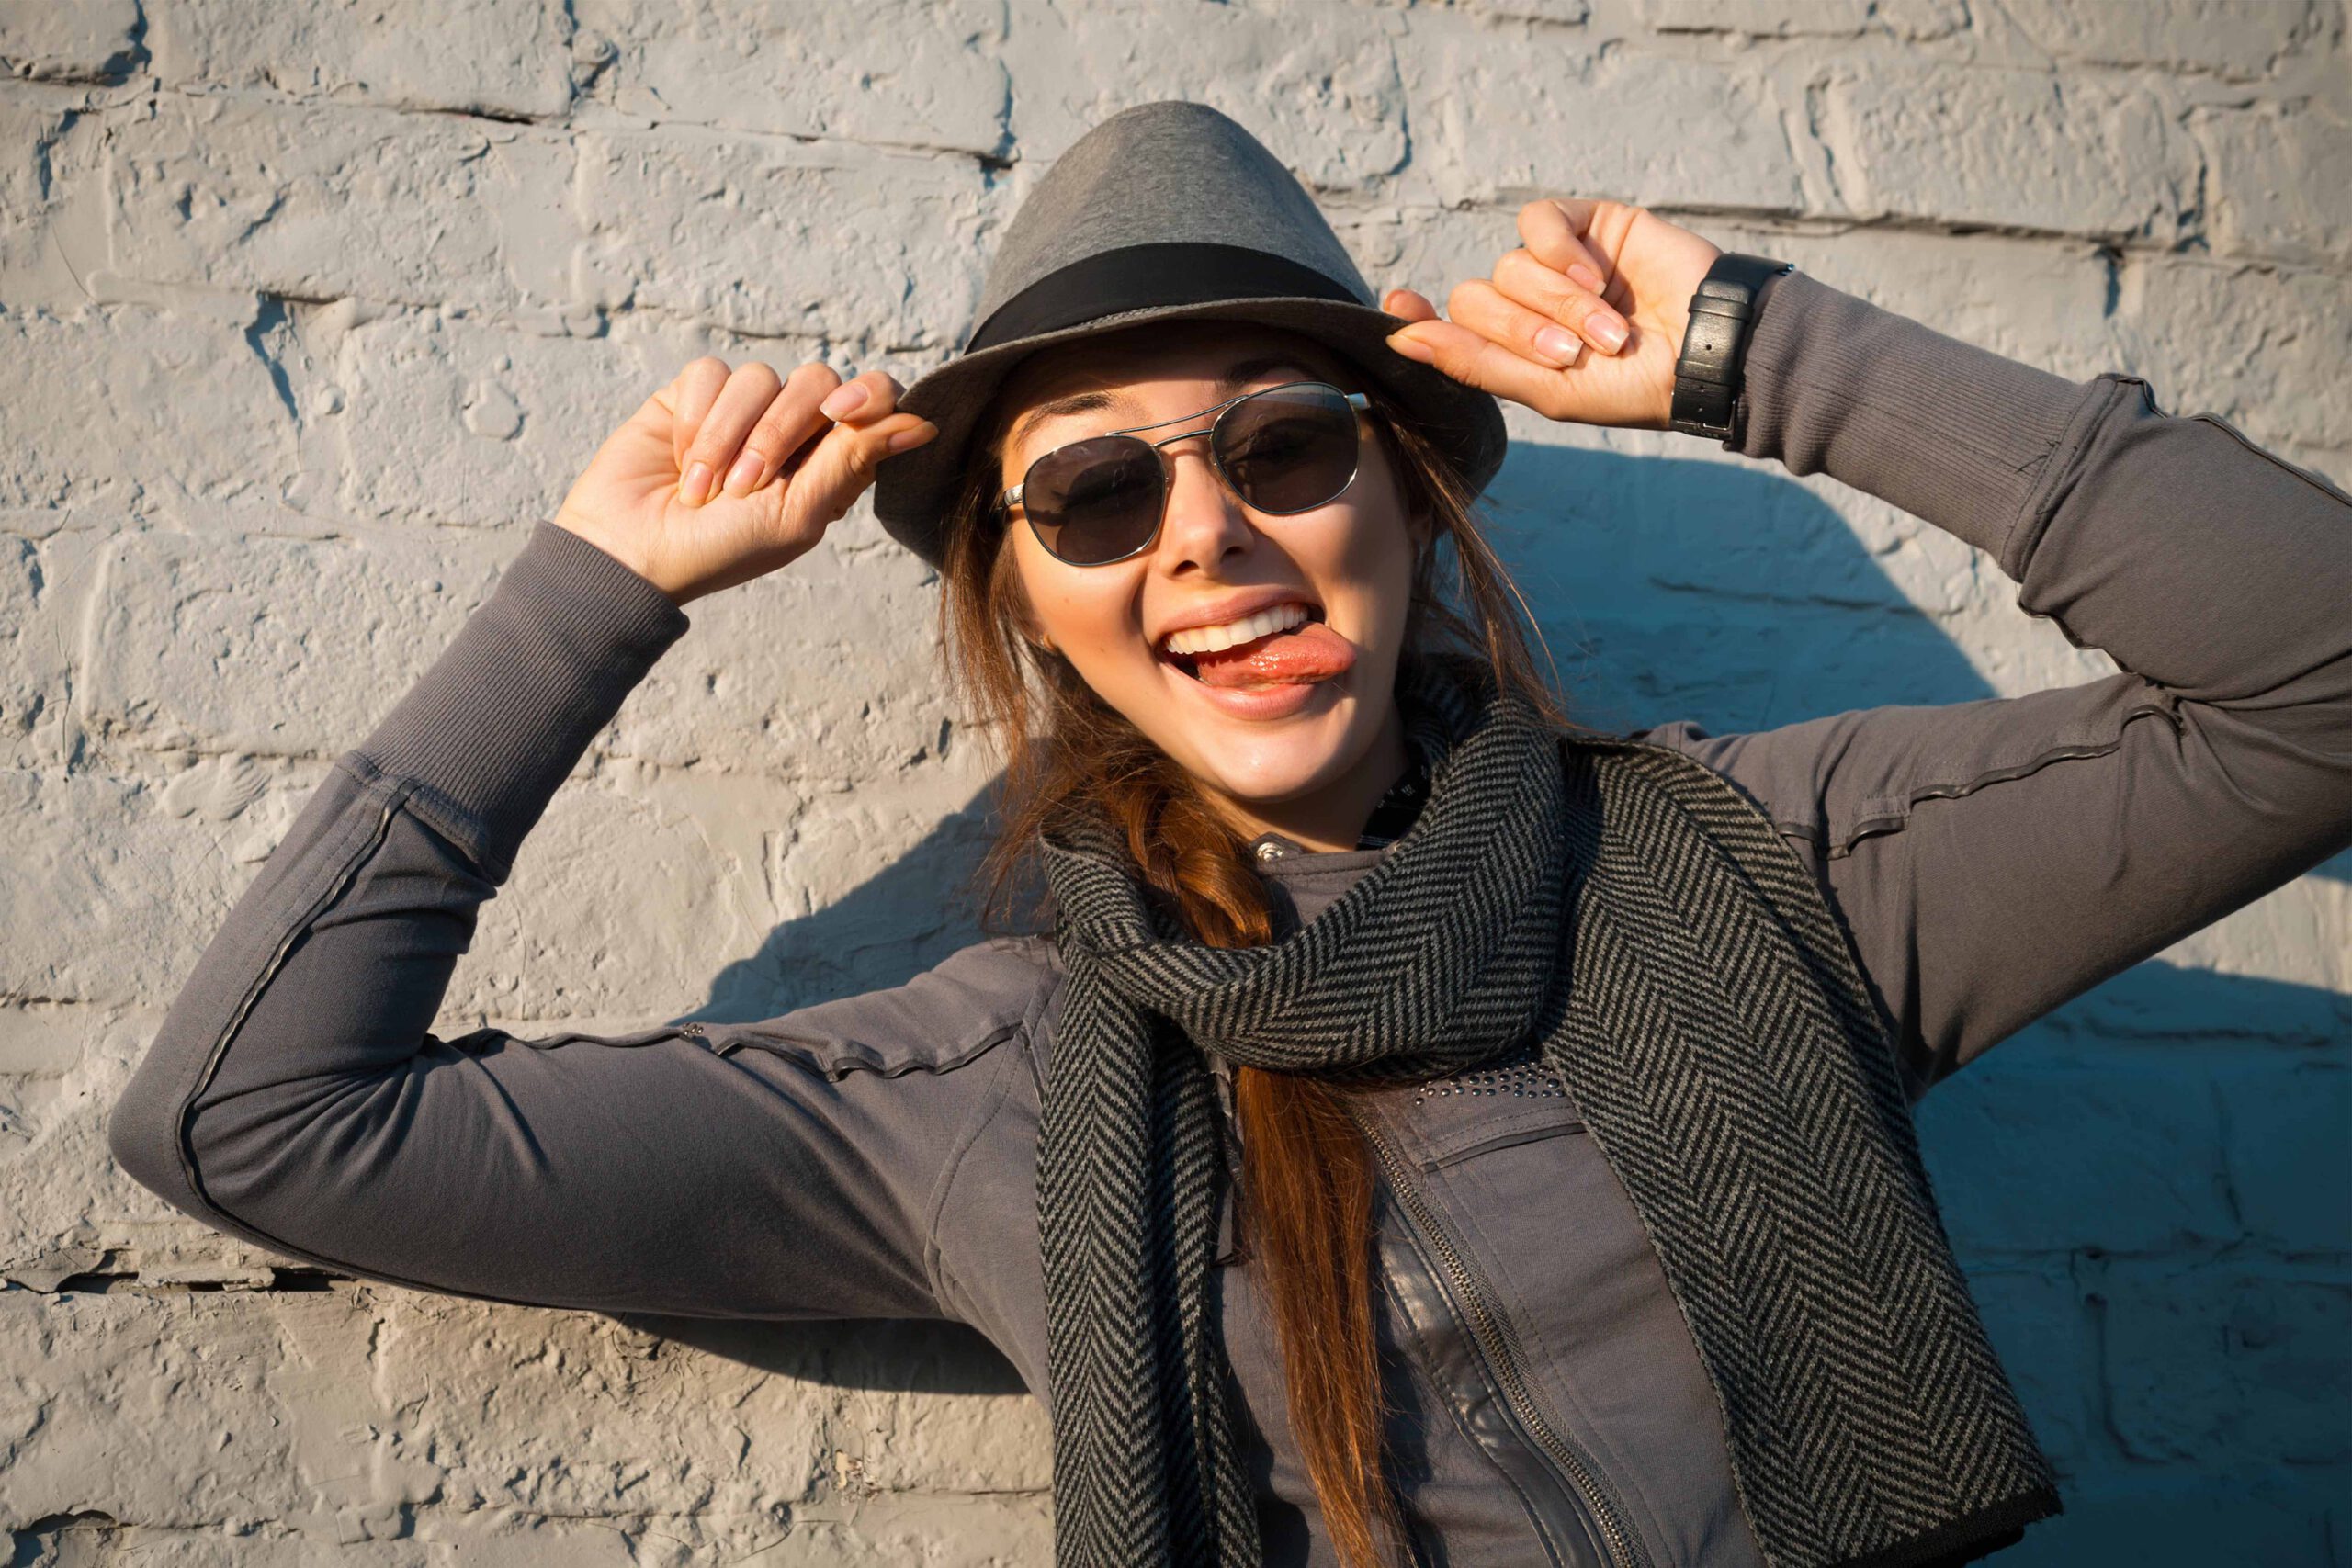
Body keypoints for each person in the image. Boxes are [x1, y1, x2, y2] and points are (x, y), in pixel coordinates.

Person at [107, 100, 2350, 1568]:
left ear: (1403, 500)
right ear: (1032, 597)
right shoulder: (977, 1096)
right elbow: (254, 1121)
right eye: (1095, 488)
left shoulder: (1775, 870)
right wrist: (592, 593)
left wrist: (1767, 356)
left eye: (1284, 447)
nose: (1209, 538)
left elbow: (2314, 678)